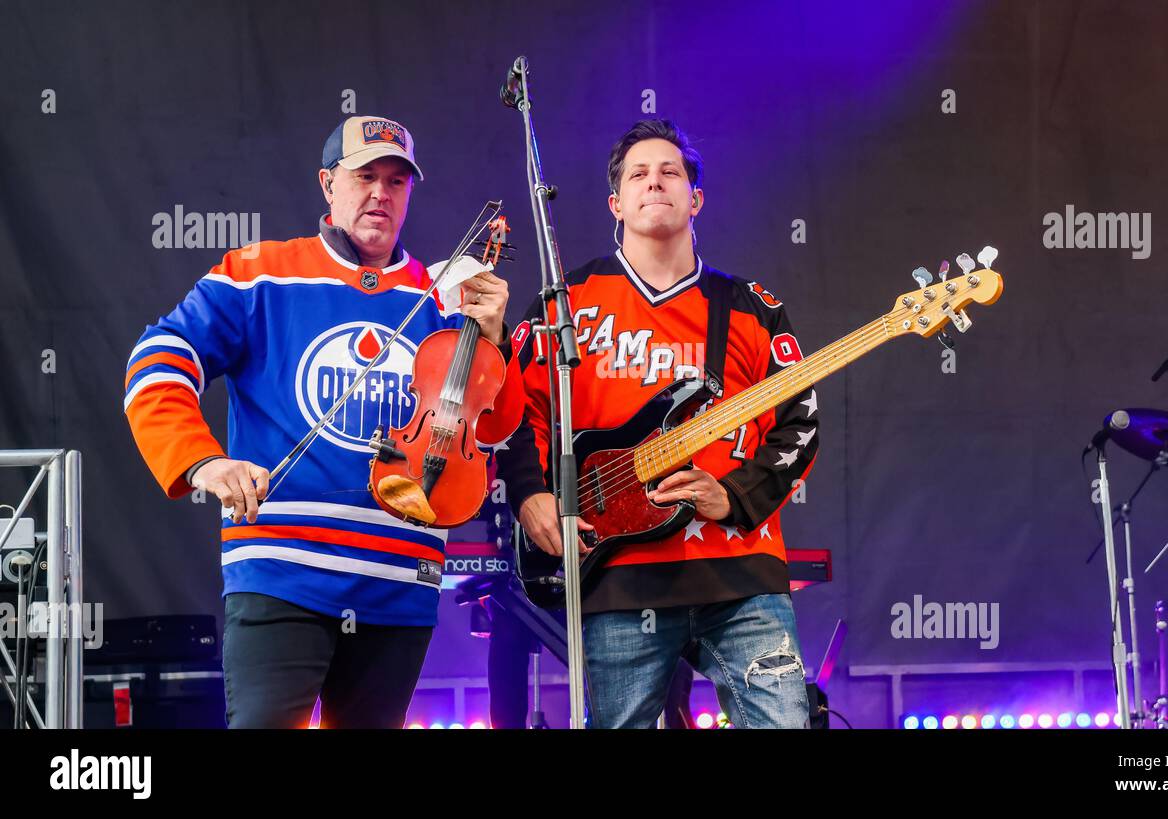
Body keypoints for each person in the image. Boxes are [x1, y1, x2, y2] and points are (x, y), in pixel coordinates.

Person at [124, 115, 522, 728]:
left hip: (400, 583)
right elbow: (157, 360)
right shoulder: (259, 273)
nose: (380, 194)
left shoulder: (448, 297)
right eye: (364, 176)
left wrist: (493, 347)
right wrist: (202, 461)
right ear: (327, 184)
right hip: (280, 574)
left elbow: (491, 436)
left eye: (396, 181)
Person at [496, 119, 818, 728]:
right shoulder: (565, 303)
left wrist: (734, 497)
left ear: (695, 198)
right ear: (616, 202)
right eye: (637, 174)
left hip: (740, 576)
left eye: (671, 171)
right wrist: (529, 494)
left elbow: (799, 421)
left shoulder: (750, 308)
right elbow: (516, 410)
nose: (655, 183)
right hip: (618, 578)